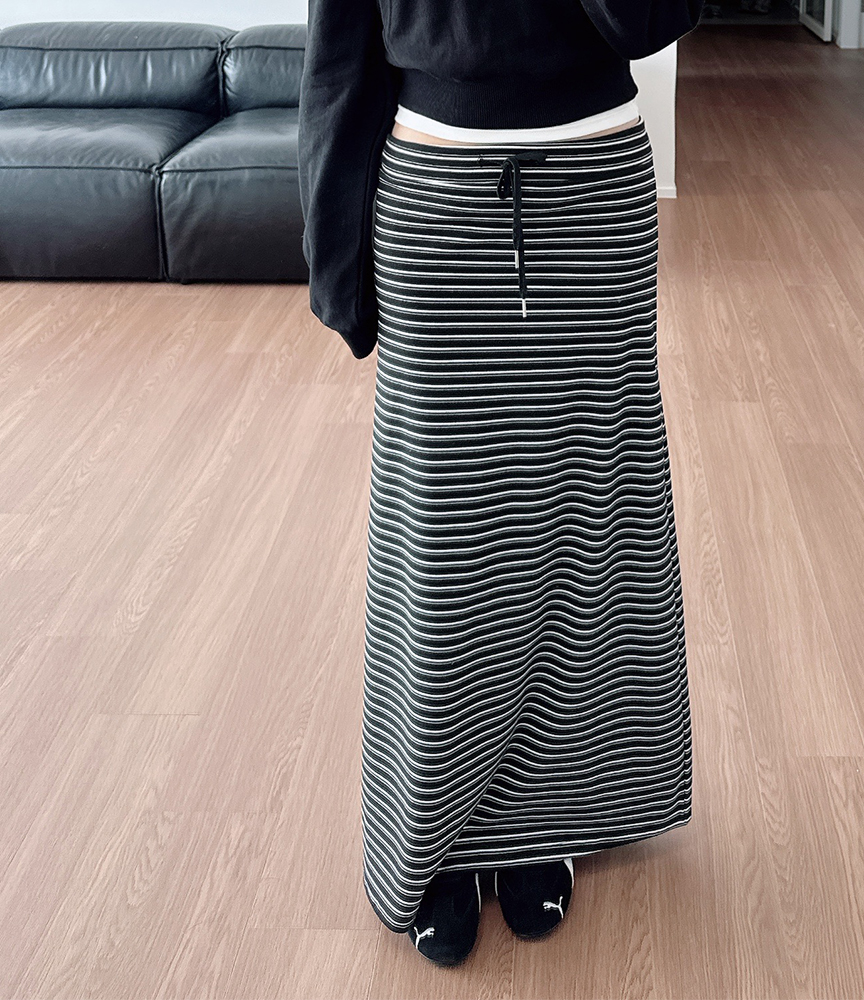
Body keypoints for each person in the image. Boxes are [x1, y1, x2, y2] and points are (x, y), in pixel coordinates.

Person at [298, 0, 702, 968]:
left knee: (579, 524)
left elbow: (653, 18)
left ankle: (542, 817)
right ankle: (437, 832)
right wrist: (337, 263)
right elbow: (338, 52)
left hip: (594, 195)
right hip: (435, 196)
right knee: (446, 541)